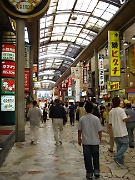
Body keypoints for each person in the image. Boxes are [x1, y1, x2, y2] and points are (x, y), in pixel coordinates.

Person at [78, 102, 103, 179]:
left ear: (85, 109)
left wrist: (79, 139)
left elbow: (79, 130)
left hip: (86, 142)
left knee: (87, 158)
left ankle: (89, 173)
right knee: (96, 156)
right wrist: (100, 139)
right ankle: (96, 171)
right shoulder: (96, 119)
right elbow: (99, 131)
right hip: (95, 141)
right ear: (92, 110)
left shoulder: (82, 119)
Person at [108, 96, 130, 166]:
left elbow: (110, 123)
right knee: (126, 144)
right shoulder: (121, 110)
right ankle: (116, 157)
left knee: (119, 146)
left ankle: (120, 161)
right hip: (122, 131)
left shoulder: (111, 111)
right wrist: (129, 117)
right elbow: (124, 119)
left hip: (115, 131)